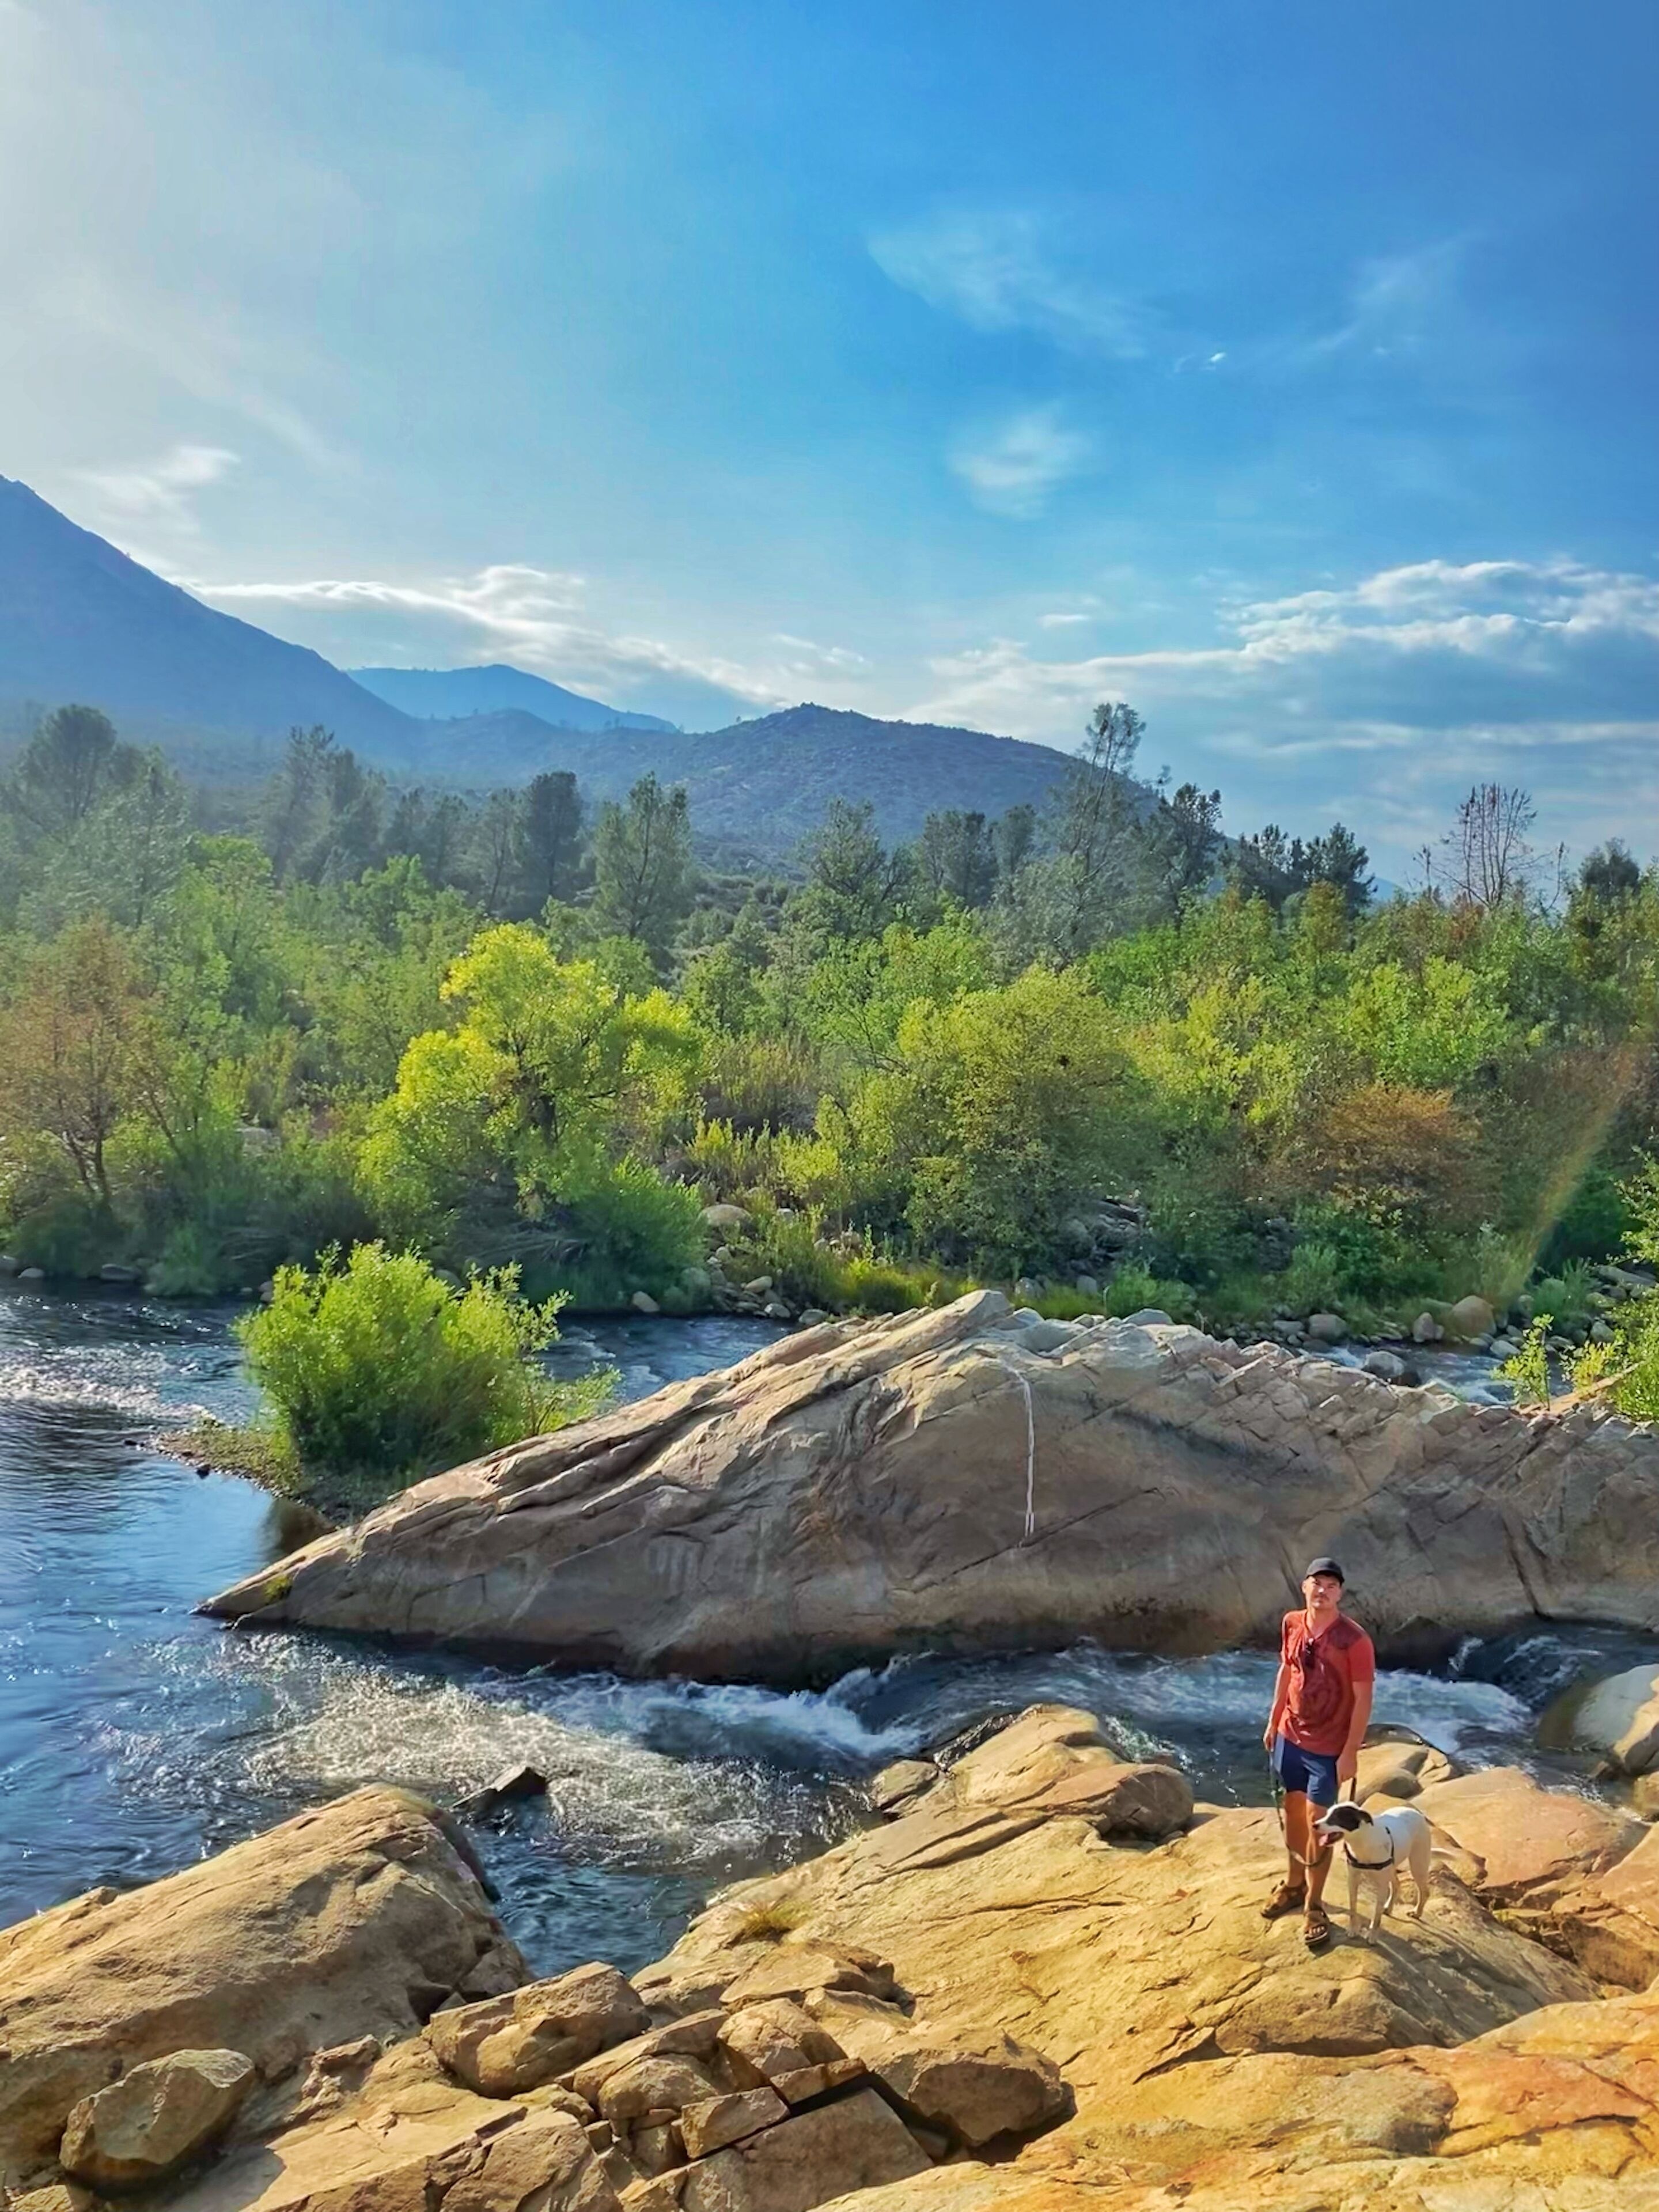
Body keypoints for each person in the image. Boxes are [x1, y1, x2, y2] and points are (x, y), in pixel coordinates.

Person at [1260, 1556, 1375, 1951]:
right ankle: (1294, 1885)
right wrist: (1273, 1720)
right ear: (1304, 1586)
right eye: (1317, 1583)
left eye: (1331, 1585)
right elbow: (1287, 1670)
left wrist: (1350, 1752)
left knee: (1319, 1825)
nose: (1323, 1591)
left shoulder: (1355, 1641)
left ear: (1340, 1593)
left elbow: (1364, 1700)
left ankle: (1314, 1904)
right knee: (1293, 1811)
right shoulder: (1292, 1623)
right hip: (1290, 1736)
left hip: (1327, 1749)